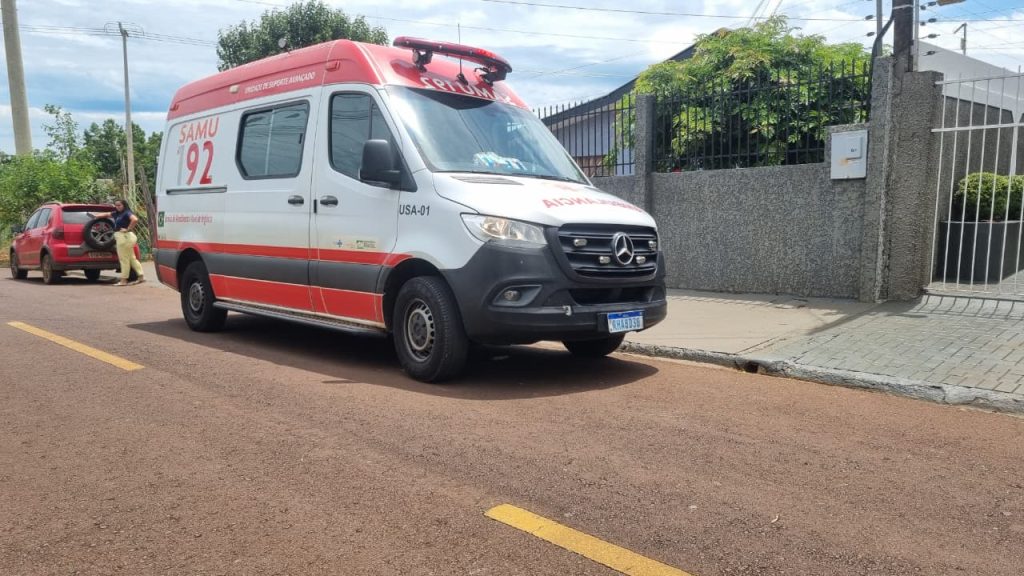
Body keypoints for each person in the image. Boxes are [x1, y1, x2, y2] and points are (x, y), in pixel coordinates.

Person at [90, 199, 145, 286]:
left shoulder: (127, 212)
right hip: (126, 237)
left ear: (124, 205)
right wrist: (96, 216)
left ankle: (123, 280)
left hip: (124, 237)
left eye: (119, 205)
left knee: (124, 260)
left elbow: (135, 219)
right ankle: (141, 277)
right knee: (131, 258)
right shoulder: (116, 213)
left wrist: (128, 229)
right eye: (116, 205)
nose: (118, 207)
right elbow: (107, 214)